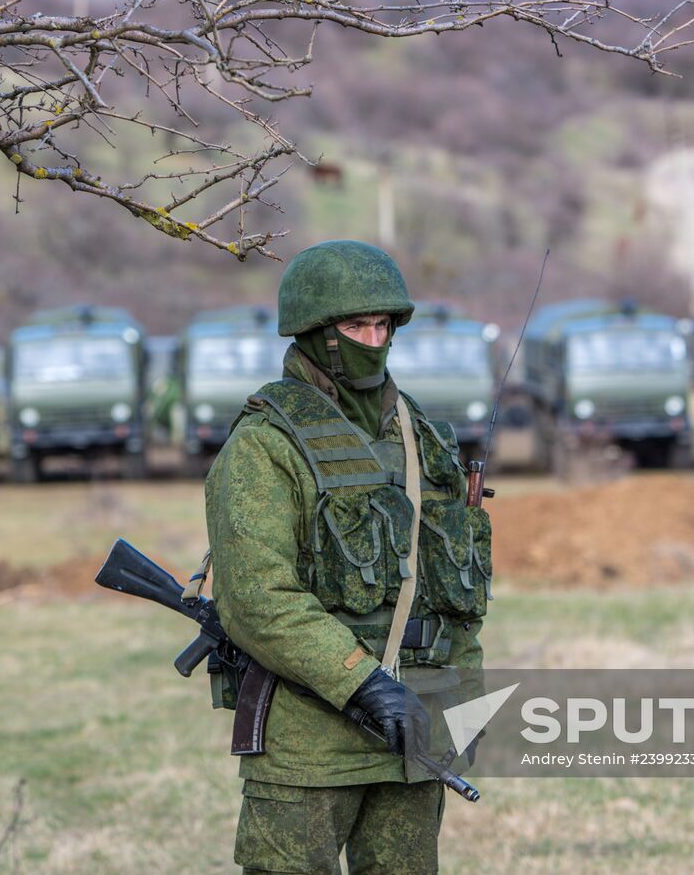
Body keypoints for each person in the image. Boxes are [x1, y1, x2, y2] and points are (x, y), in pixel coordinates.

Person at [205, 240, 493, 874]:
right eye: (355, 325)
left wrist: (466, 700)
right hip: (310, 740)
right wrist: (363, 683)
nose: (373, 337)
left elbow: (456, 591)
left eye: (382, 323)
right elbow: (258, 600)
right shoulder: (266, 444)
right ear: (317, 333)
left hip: (414, 735)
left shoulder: (423, 440)